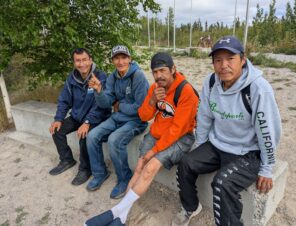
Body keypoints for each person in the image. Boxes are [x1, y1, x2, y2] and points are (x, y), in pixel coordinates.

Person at [172, 36, 282, 226]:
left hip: (248, 151)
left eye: (230, 58)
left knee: (222, 184)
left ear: (243, 59)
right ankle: (190, 206)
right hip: (217, 144)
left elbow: (267, 131)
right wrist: (200, 145)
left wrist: (266, 168)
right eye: (218, 60)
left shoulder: (257, 88)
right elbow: (205, 115)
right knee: (186, 163)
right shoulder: (211, 82)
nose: (224, 65)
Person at [84, 52, 200, 226]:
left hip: (181, 137)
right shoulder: (155, 88)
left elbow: (177, 130)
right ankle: (122, 216)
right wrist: (152, 100)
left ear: (173, 69)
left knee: (149, 167)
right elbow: (144, 116)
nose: (159, 76)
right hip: (157, 133)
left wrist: (153, 151)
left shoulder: (186, 92)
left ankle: (116, 211)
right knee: (139, 167)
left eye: (163, 71)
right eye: (155, 72)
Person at [86, 45, 149, 199]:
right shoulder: (113, 77)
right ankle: (100, 173)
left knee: (114, 140)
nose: (120, 61)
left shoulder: (138, 76)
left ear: (129, 59)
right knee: (92, 135)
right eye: (117, 58)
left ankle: (124, 179)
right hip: (118, 117)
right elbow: (106, 103)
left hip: (136, 121)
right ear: (113, 60)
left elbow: (141, 108)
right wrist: (99, 91)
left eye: (123, 57)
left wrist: (120, 106)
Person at [49, 48, 111, 186]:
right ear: (74, 62)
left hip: (97, 118)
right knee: (57, 130)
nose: (81, 64)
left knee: (84, 135)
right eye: (78, 60)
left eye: (84, 60)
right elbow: (64, 100)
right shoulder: (71, 78)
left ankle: (85, 169)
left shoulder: (100, 77)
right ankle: (66, 160)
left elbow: (101, 106)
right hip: (78, 116)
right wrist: (58, 119)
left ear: (90, 60)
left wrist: (88, 122)